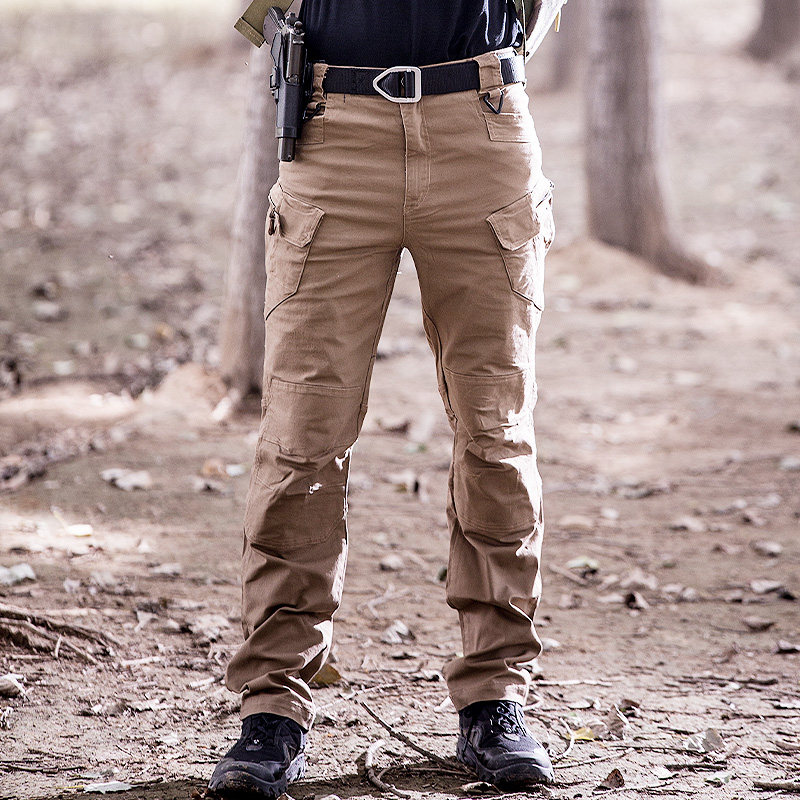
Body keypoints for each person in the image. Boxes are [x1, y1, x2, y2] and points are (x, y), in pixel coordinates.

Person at [210, 1, 560, 796]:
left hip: (481, 125)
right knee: (301, 440)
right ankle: (272, 707)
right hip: (333, 129)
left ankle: (495, 695)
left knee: (496, 432)